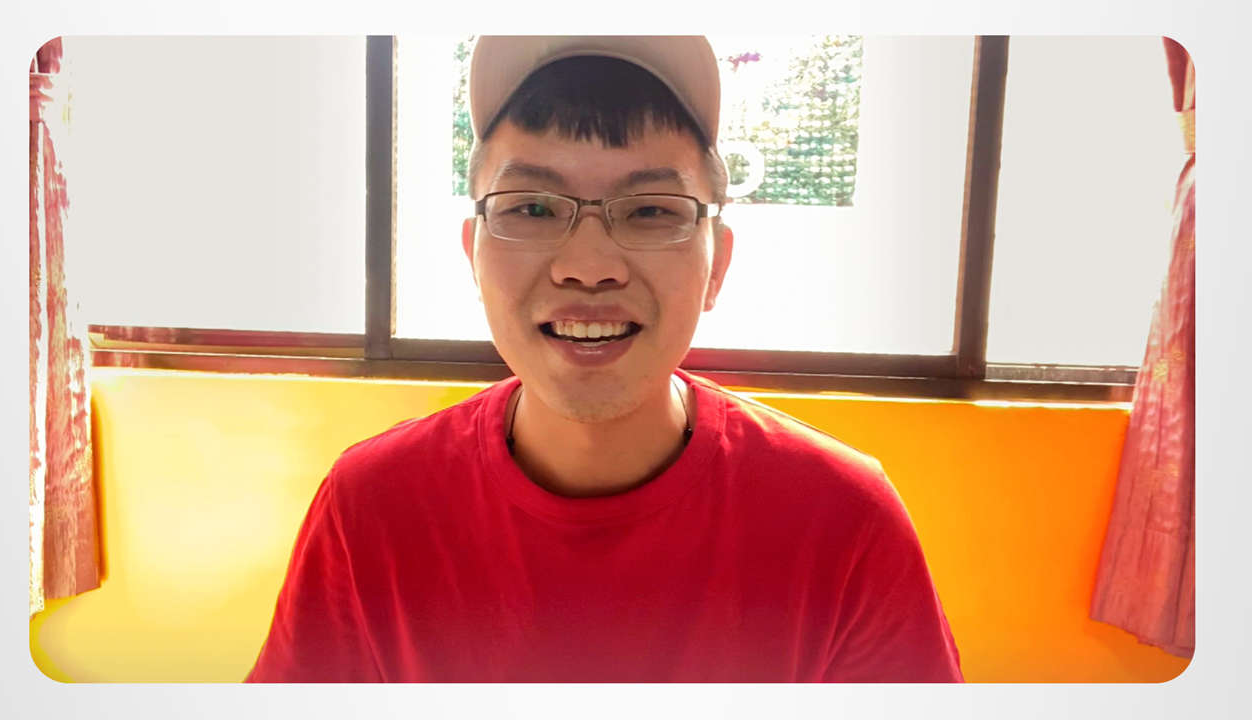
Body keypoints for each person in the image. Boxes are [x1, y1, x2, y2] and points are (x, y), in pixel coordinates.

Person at [246, 35, 962, 683]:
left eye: (651, 211)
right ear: (473, 256)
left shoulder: (842, 522)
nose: (589, 266)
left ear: (717, 266)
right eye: (532, 208)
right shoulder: (372, 508)